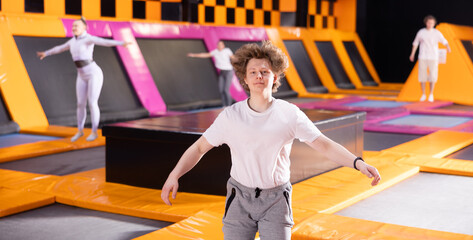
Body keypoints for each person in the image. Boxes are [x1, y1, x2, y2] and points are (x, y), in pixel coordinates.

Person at [161, 41, 381, 240]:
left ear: (274, 77)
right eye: (253, 72)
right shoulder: (231, 116)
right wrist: (174, 175)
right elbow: (200, 147)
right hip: (239, 196)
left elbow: (322, 143)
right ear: (244, 79)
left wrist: (358, 162)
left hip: (276, 198)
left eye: (264, 71)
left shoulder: (289, 114)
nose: (259, 76)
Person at [37, 17, 130, 142]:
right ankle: (80, 131)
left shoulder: (88, 39)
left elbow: (103, 42)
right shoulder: (72, 42)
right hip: (81, 75)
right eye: (73, 26)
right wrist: (46, 53)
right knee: (80, 104)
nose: (74, 28)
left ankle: (94, 131)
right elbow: (59, 48)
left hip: (93, 74)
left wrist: (121, 43)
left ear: (84, 28)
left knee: (92, 102)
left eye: (77, 26)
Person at [409, 15, 451, 102]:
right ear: (426, 23)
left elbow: (444, 40)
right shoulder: (421, 32)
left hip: (433, 57)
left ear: (434, 23)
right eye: (428, 23)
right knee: (422, 76)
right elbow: (415, 43)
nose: (430, 24)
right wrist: (412, 54)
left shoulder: (436, 33)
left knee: (433, 76)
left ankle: (431, 94)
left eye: (432, 23)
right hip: (423, 56)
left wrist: (448, 47)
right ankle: (423, 94)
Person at [188, 41, 234, 106]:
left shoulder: (227, 50)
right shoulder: (215, 52)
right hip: (222, 72)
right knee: (221, 90)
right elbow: (205, 55)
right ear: (217, 46)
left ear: (223, 46)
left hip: (229, 71)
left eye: (221, 45)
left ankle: (229, 105)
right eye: (219, 45)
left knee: (226, 90)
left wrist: (237, 62)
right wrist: (193, 55)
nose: (220, 46)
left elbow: (234, 58)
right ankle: (224, 106)